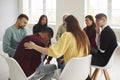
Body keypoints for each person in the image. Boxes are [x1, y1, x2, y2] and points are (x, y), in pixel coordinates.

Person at [24, 15, 90, 80]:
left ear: (69, 24)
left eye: (65, 24)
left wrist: (34, 46)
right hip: (83, 72)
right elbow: (79, 53)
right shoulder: (83, 35)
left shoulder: (67, 35)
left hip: (71, 72)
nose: (65, 26)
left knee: (55, 68)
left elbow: (54, 52)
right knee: (59, 64)